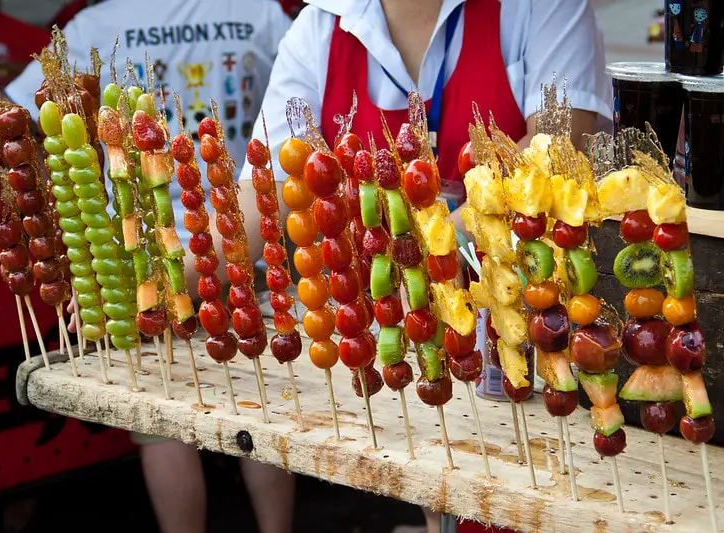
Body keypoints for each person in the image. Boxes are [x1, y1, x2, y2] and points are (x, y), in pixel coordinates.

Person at [234, 1, 611, 532]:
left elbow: (558, 145)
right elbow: (266, 194)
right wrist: (163, 281)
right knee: (439, 488)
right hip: (406, 342)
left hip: (530, 342)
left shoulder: (539, 7)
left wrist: (430, 240)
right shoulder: (322, 26)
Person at [6, 3, 296, 533]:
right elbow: (296, 90)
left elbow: (20, 110)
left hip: (138, 261)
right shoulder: (253, 9)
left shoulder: (94, 24)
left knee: (162, 424)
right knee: (260, 403)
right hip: (237, 238)